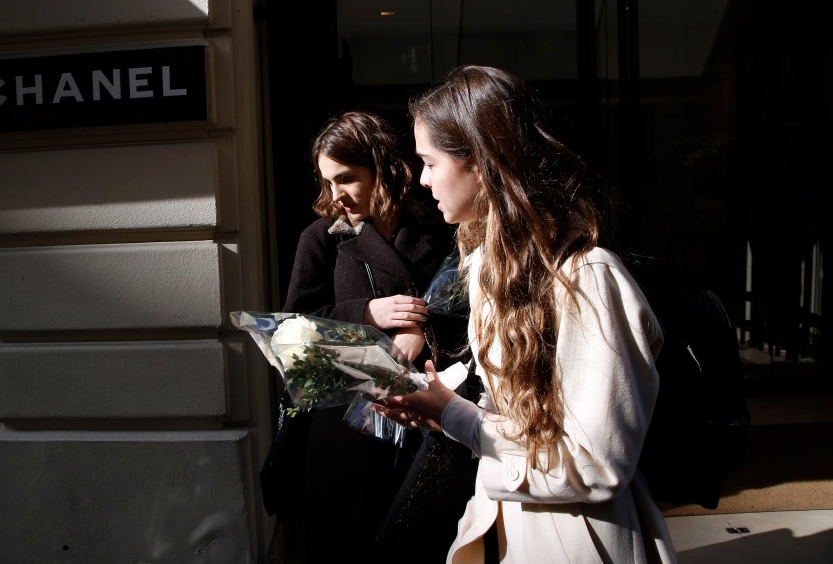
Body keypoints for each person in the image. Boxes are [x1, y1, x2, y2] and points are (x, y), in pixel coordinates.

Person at [373, 65, 679, 563]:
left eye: (429, 162)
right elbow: (521, 421)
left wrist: (453, 414)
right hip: (513, 529)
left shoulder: (587, 277)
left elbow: (594, 464)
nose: (423, 180)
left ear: (481, 160)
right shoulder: (493, 269)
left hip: (577, 540)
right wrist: (439, 407)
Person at [268, 110, 462, 563]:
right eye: (328, 181)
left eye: (347, 178)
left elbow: (468, 315)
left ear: (383, 168)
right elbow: (291, 331)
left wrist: (421, 329)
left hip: (427, 425)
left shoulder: (441, 230)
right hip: (343, 432)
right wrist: (367, 312)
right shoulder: (322, 239)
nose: (336, 195)